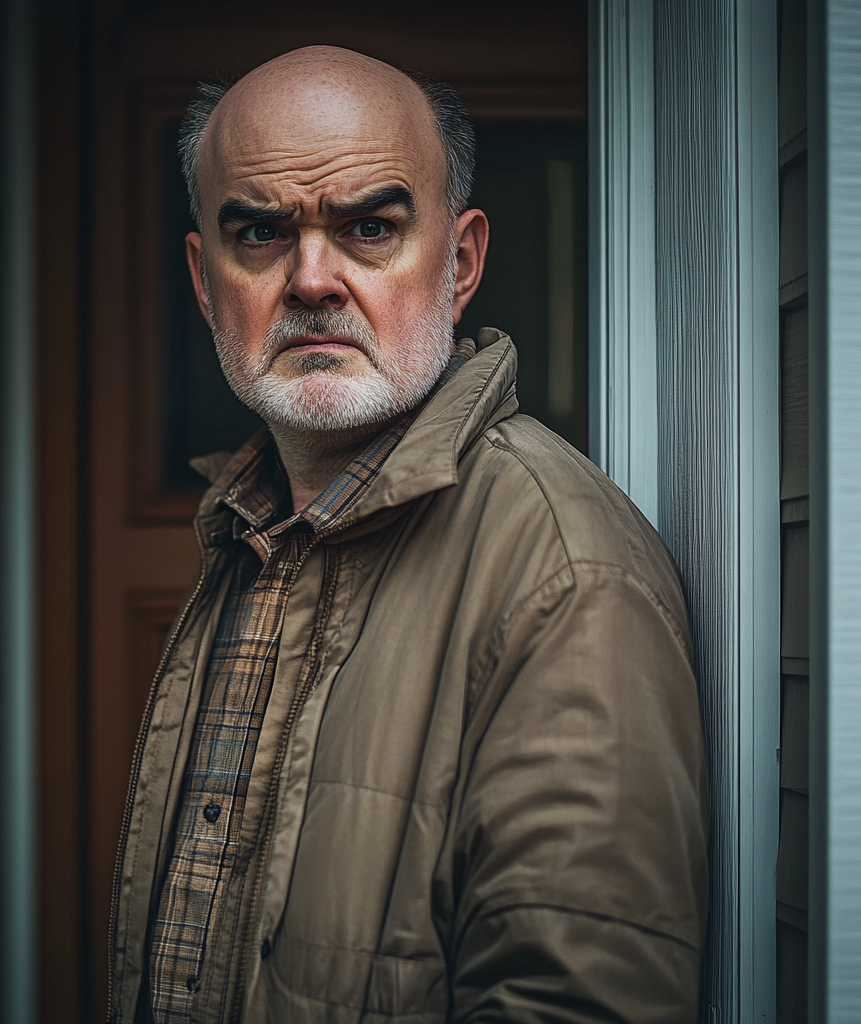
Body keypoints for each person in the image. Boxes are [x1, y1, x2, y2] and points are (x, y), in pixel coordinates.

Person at [109, 45, 708, 1024]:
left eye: (370, 227)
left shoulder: (564, 572)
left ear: (461, 261)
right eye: (258, 231)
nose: (311, 279)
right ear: (203, 278)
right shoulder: (249, 528)